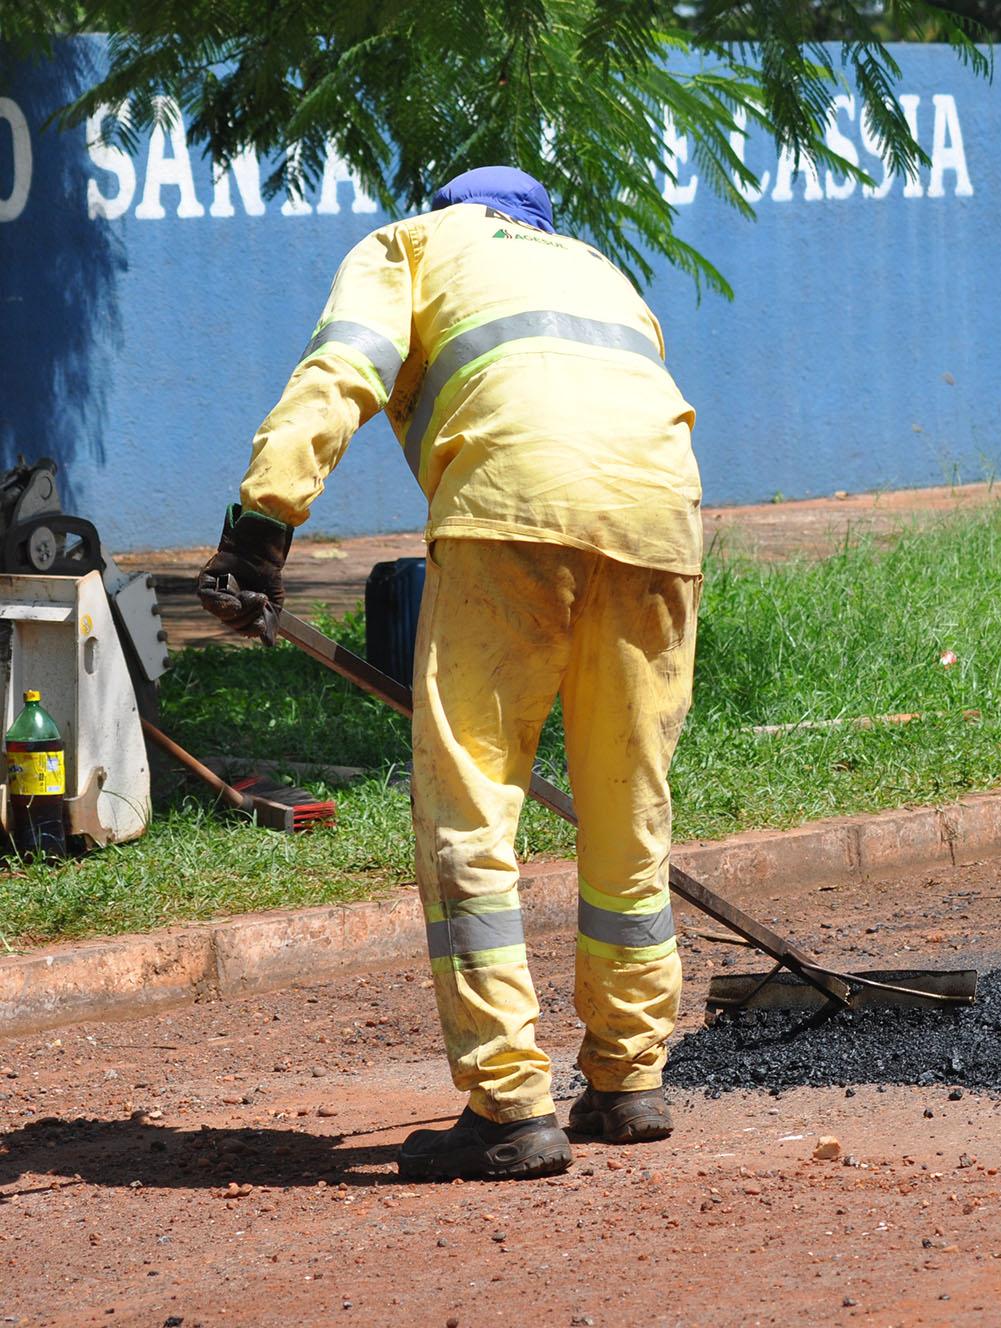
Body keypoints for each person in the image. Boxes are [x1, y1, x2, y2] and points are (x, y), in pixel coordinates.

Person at [197, 165, 703, 1181]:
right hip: (661, 524)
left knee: (469, 806)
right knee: (626, 806)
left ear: (451, 206)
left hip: (509, 510)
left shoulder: (411, 245)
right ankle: (627, 1078)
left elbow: (343, 370)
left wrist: (261, 526)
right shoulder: (602, 269)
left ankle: (511, 1105)